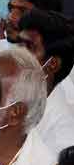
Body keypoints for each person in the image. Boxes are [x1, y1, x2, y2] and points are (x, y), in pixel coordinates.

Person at [16, 9, 74, 154]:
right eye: (19, 44)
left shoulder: (64, 135)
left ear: (52, 64)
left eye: (29, 47)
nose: (17, 54)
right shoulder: (11, 96)